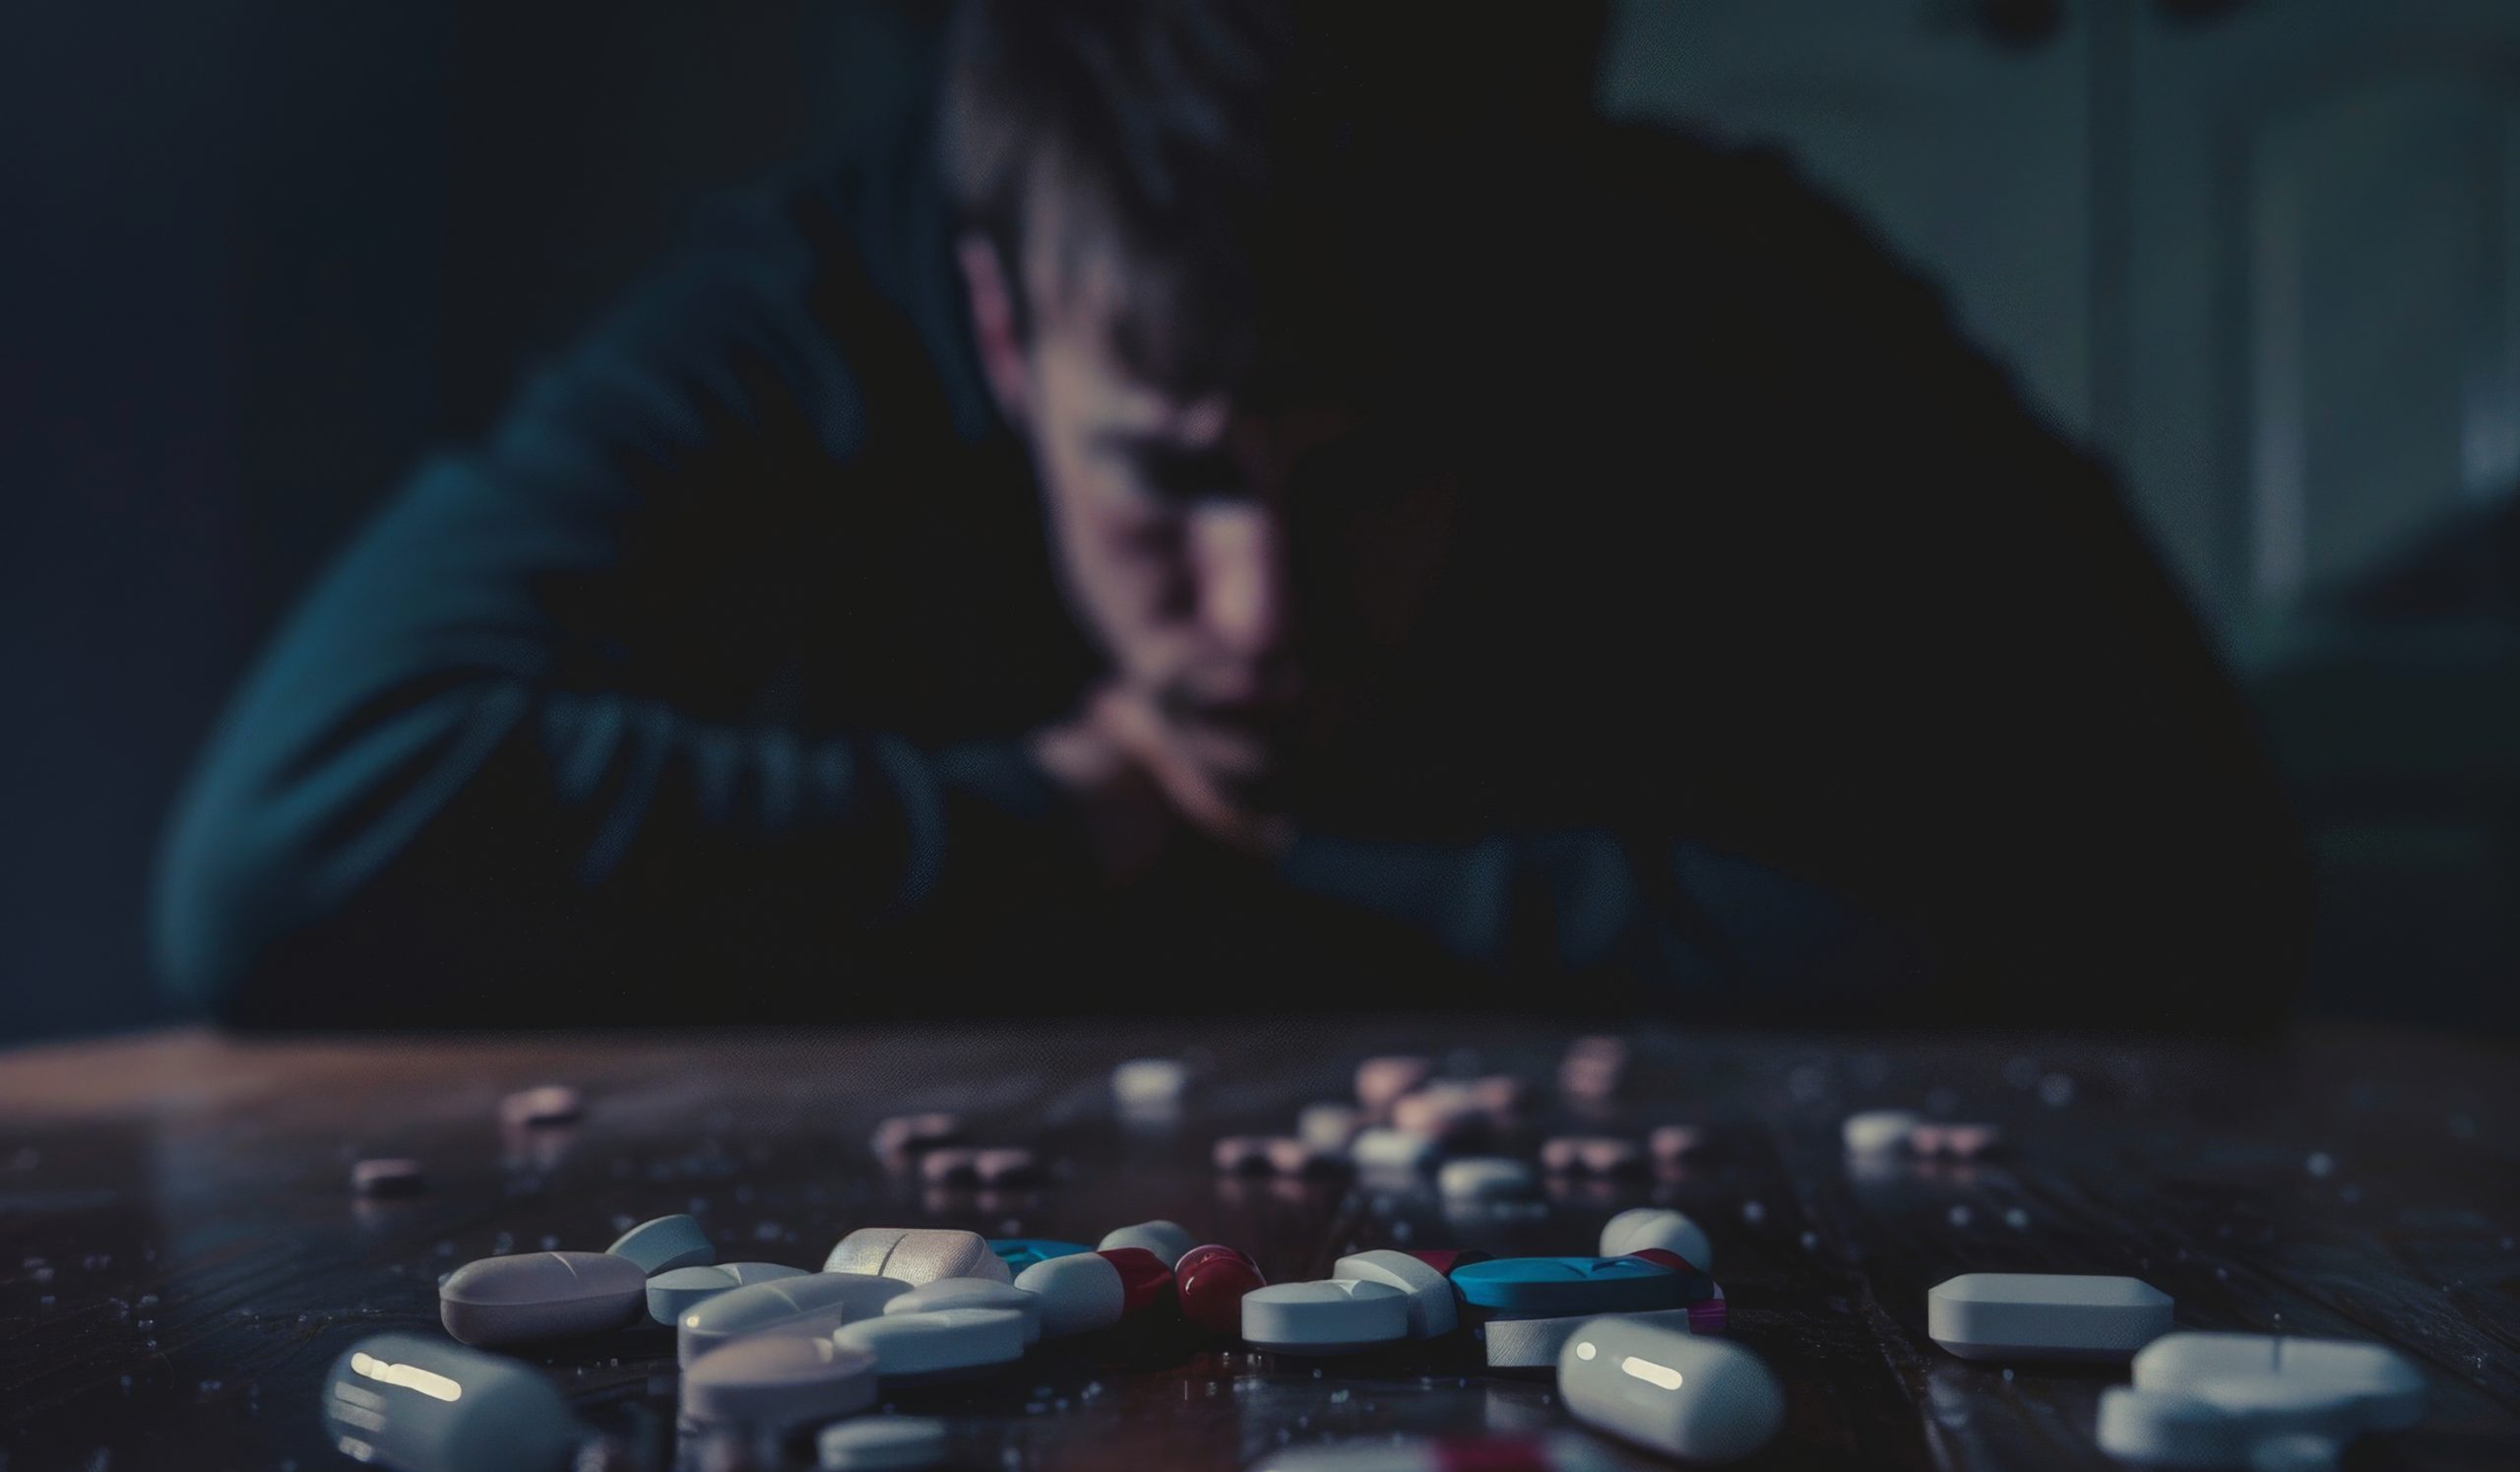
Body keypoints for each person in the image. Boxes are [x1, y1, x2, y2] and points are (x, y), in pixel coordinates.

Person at [155, 0, 2309, 1030]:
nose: (1258, 616)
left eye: (1365, 480)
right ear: (1005, 330)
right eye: (1166, 476)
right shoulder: (809, 303)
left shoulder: (1694, 276)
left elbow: (2201, 874)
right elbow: (286, 845)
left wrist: (1285, 865)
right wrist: (1046, 813)